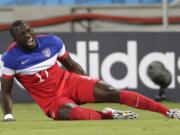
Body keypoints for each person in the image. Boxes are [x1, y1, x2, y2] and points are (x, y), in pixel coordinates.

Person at [1, 20, 180, 121]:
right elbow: (6, 90)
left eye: (28, 30)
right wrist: (8, 115)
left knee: (111, 91)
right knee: (73, 114)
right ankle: (110, 115)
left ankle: (167, 112)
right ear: (15, 39)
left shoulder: (52, 41)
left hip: (69, 82)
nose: (27, 36)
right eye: (22, 34)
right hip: (51, 100)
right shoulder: (10, 58)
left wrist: (89, 82)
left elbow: (71, 65)